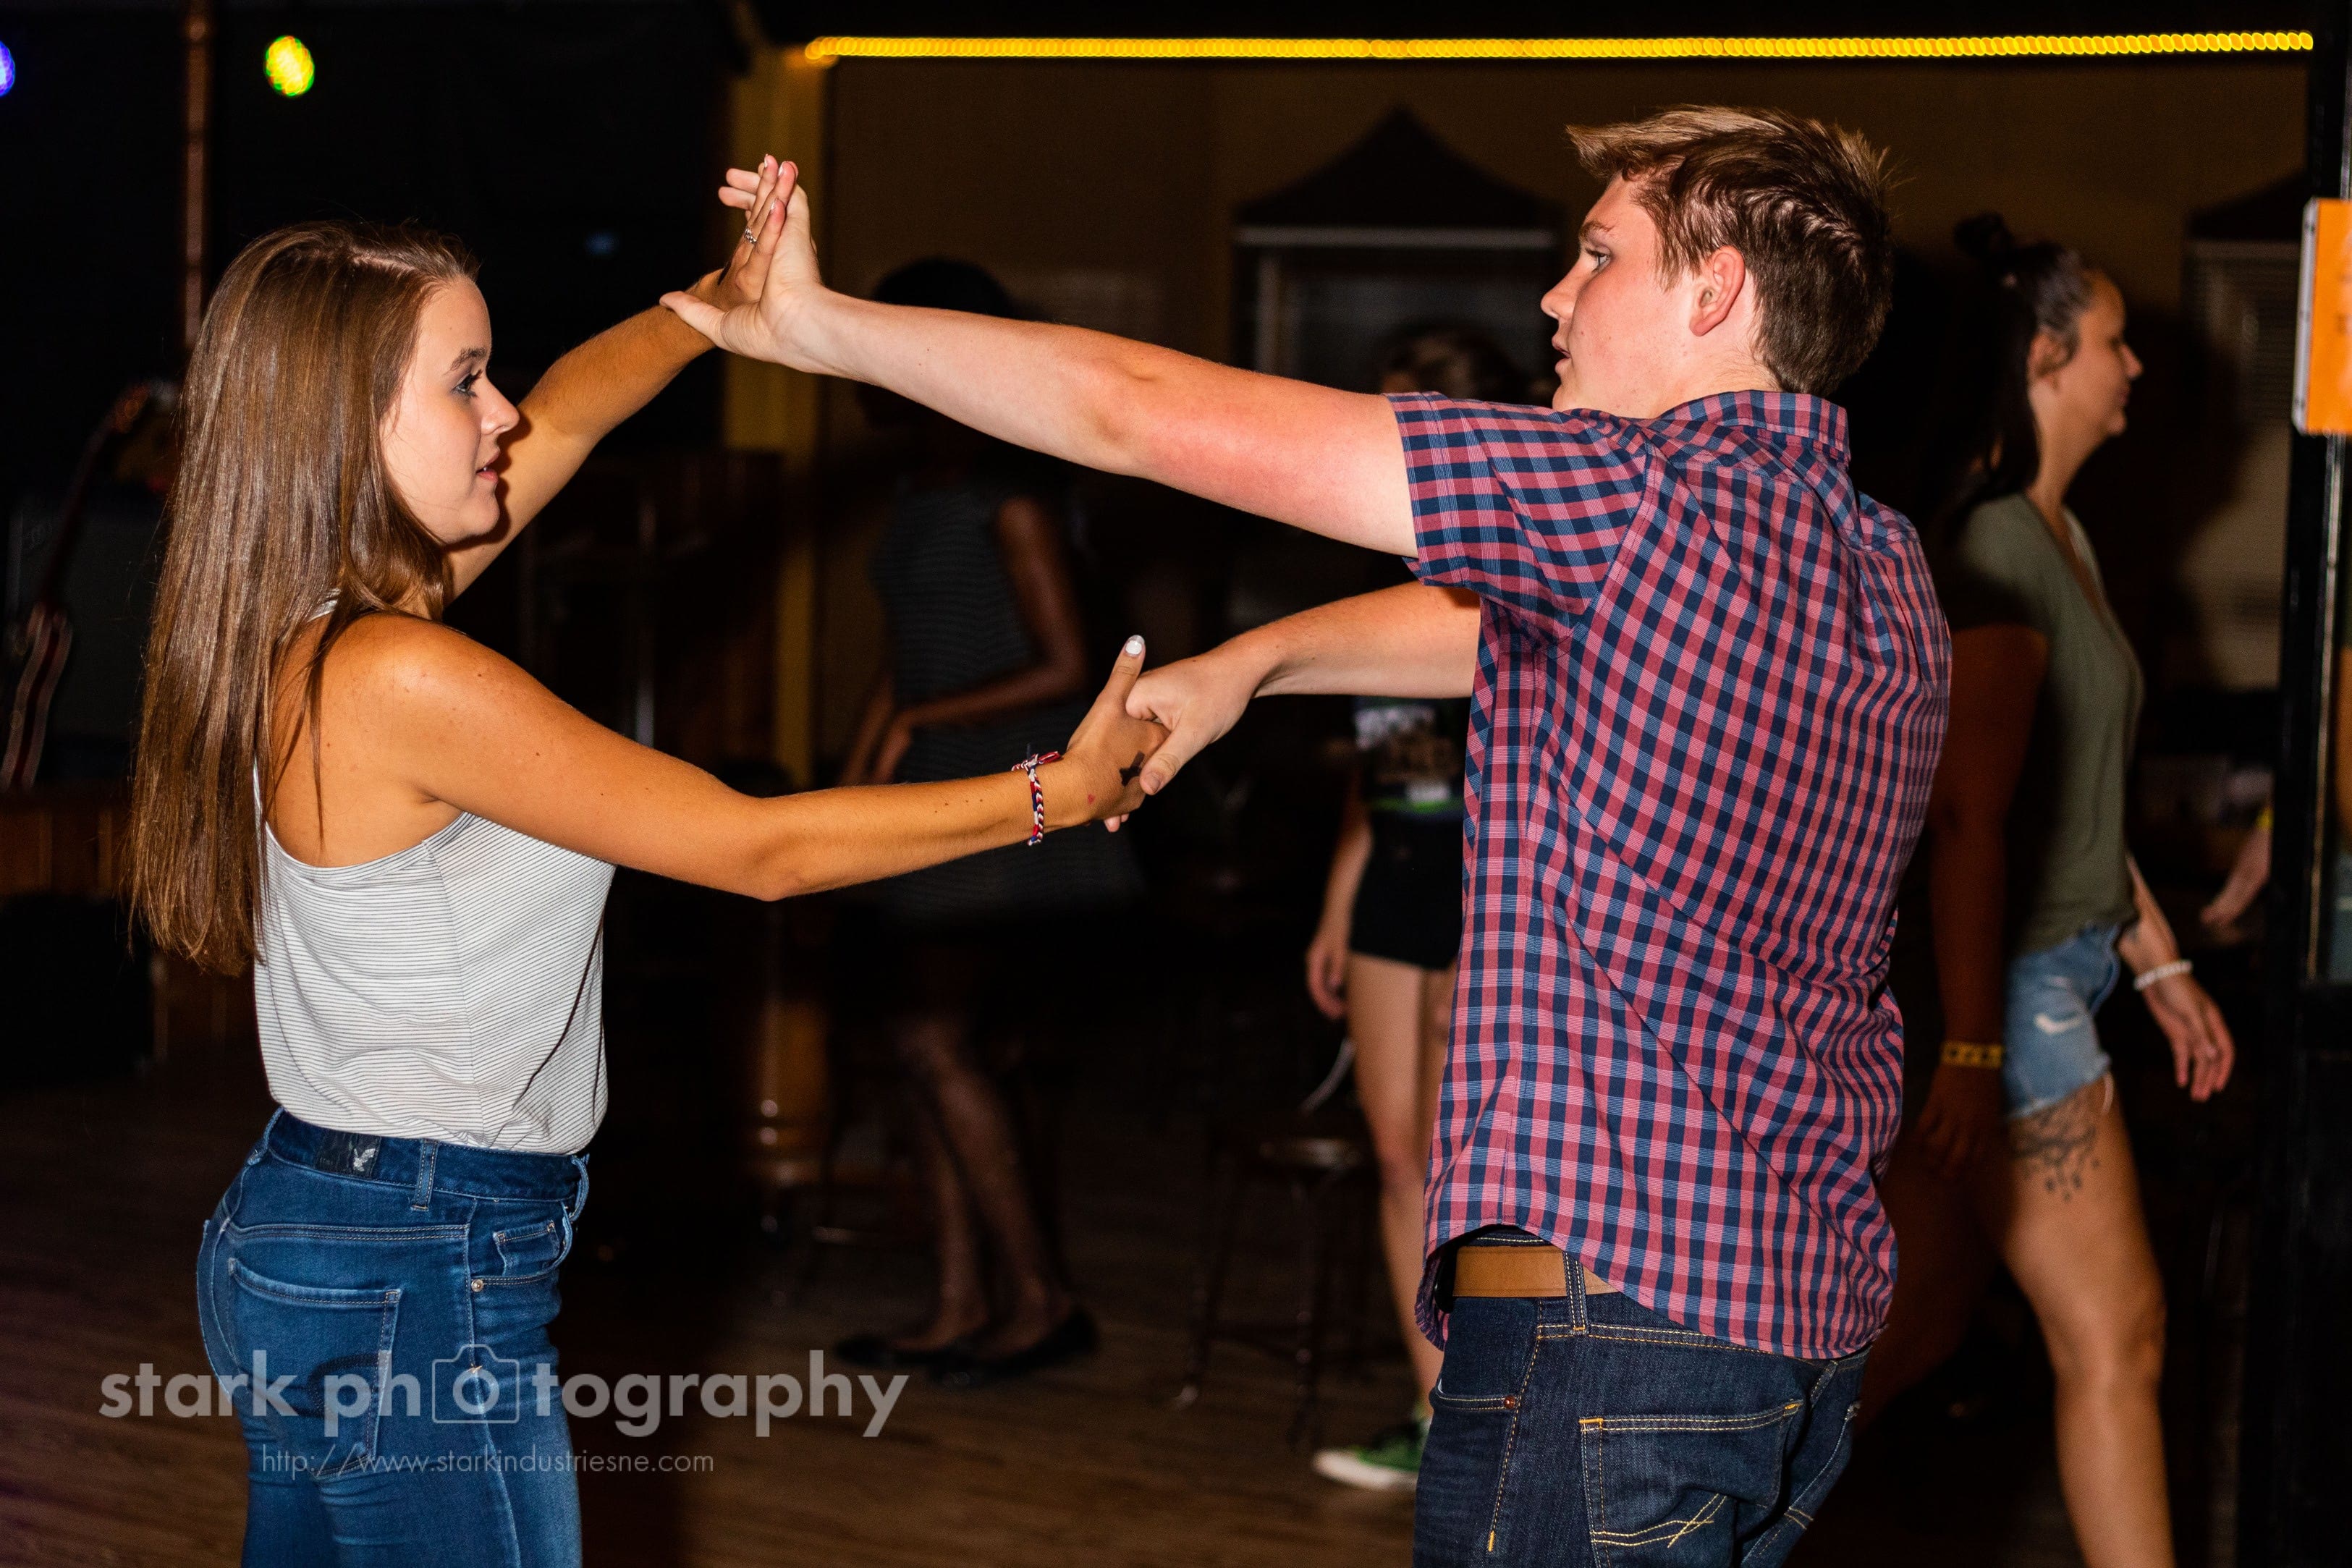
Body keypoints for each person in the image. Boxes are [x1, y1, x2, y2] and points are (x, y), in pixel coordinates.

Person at [678, 106, 1947, 1565]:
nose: (1553, 296)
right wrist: (1255, 663)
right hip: (1793, 1327)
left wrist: (821, 327)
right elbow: (1509, 631)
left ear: (1714, 291)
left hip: (1608, 1327)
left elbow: (1135, 409)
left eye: (1599, 257)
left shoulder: (1619, 494)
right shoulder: (1881, 560)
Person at [134, 166, 1162, 1567]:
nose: (506, 413)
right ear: (346, 424)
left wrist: (714, 311)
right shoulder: (398, 672)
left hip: (324, 1231)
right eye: (465, 382)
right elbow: (759, 848)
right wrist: (1057, 791)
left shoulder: (311, 629)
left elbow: (575, 404)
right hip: (415, 1264)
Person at [1859, 217, 2235, 1568]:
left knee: (1907, 1330)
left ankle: (1688, 1520)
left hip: (2049, 971)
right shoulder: (1992, 547)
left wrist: (2155, 958)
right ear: (2042, 357)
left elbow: (2064, 792)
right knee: (2116, 1335)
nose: (2133, 366)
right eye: (2114, 342)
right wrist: (1972, 1046)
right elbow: (1965, 820)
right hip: (2009, 991)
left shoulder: (2055, 532)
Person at [832, 258, 1139, 1386]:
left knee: (936, 1041)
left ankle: (1041, 1302)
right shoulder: (924, 484)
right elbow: (907, 657)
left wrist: (918, 721)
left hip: (1016, 784)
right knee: (920, 1046)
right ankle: (960, 1304)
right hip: (935, 780)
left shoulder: (1011, 490)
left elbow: (1066, 663)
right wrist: (857, 779)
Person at [1305, 327, 1520, 1493]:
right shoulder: (1381, 573)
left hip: (1488, 891)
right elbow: (1382, 765)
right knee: (1397, 1153)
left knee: (1467, 1171)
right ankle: (1432, 1411)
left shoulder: (1518, 570)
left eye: (1401, 424)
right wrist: (1337, 905)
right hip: (1396, 876)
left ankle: (1496, 1421)